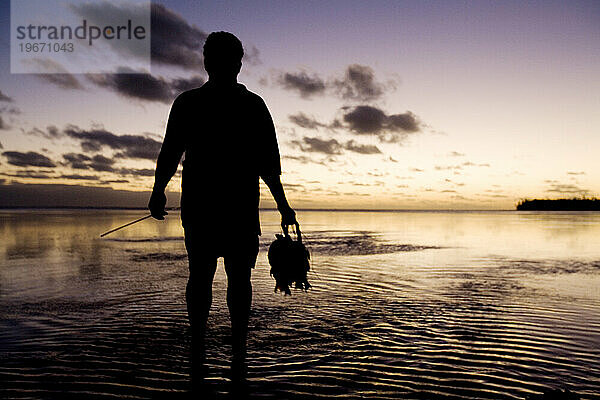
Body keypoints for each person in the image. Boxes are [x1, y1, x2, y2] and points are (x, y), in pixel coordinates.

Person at [147, 31, 297, 382]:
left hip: (202, 207)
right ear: (239, 64)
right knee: (236, 280)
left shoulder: (189, 103)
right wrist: (283, 205)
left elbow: (171, 151)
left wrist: (158, 190)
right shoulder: (253, 105)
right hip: (237, 209)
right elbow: (269, 165)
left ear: (207, 62)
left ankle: (200, 347)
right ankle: (237, 352)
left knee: (201, 277)